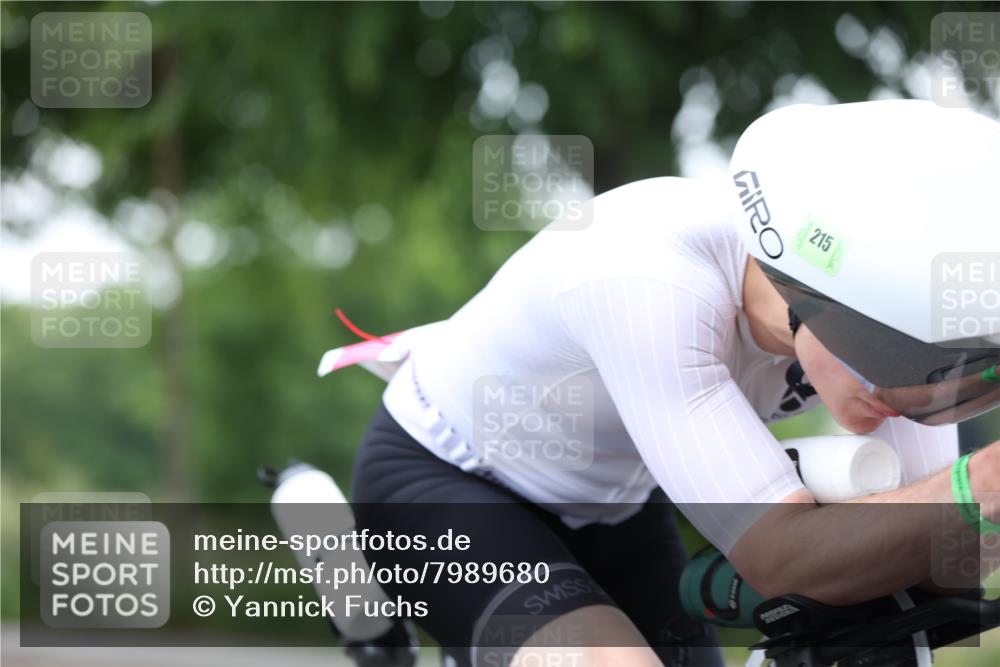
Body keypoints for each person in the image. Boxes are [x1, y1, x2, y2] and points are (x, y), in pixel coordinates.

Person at [345, 100, 1000, 667]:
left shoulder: (862, 324)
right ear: (819, 296)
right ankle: (371, 621)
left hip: (617, 503)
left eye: (948, 374)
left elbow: (947, 557)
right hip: (444, 480)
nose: (906, 399)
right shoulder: (649, 280)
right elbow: (781, 554)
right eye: (903, 364)